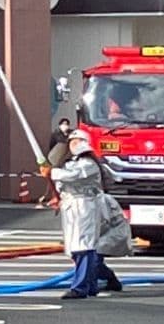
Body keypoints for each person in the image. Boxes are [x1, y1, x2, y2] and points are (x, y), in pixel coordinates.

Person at [42, 128, 121, 299]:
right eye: (72, 142)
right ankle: (91, 284)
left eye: (77, 142)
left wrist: (52, 173)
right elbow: (63, 182)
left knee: (83, 245)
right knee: (75, 247)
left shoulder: (89, 164)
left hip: (85, 206)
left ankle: (80, 287)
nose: (74, 145)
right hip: (71, 207)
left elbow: (73, 176)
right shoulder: (71, 163)